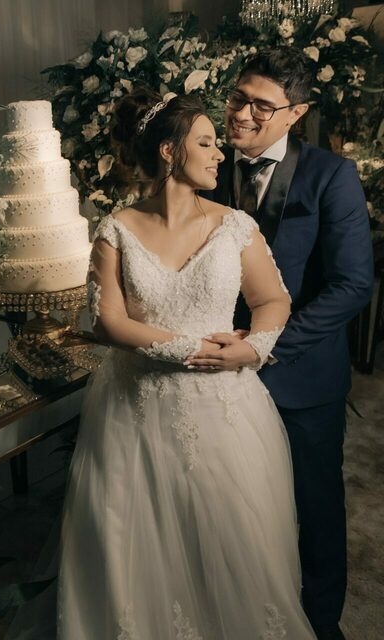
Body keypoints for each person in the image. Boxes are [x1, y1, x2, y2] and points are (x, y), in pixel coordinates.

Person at [57, 88, 316, 639]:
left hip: (224, 412)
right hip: (133, 413)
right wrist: (187, 348)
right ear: (170, 152)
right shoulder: (116, 230)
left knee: (232, 544)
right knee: (139, 548)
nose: (220, 153)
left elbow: (274, 301)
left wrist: (255, 347)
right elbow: (109, 322)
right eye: (206, 142)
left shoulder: (235, 226)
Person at [203, 47, 374, 640]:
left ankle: (320, 624)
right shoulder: (203, 164)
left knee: (314, 508)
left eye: (261, 106)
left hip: (300, 377)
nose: (242, 115)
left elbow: (353, 284)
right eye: (237, 98)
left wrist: (266, 344)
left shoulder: (332, 175)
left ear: (295, 113)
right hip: (213, 370)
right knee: (231, 505)